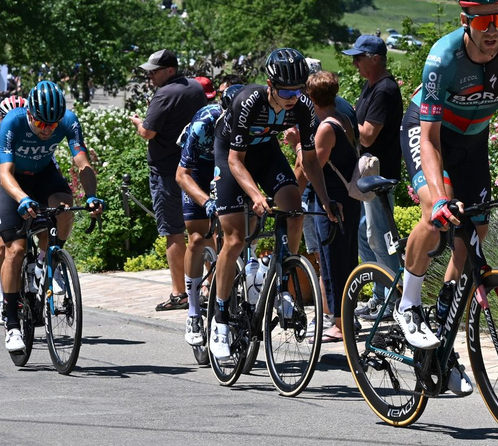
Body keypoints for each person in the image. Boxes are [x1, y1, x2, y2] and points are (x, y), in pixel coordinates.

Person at [397, 0, 498, 396]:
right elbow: (428, 139)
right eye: (482, 22)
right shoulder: (443, 58)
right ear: (466, 20)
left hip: (472, 142)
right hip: (428, 135)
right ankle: (408, 304)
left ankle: (444, 333)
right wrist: (442, 198)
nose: (492, 31)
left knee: (475, 234)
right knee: (438, 216)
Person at [208, 48, 342, 360]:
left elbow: (310, 162)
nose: (292, 96)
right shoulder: (249, 101)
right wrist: (255, 196)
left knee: (294, 208)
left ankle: (282, 283)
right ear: (270, 84)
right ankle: (221, 317)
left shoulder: (304, 108)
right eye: (285, 91)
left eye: (298, 89)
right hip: (231, 154)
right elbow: (235, 161)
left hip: (265, 152)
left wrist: (324, 200)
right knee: (235, 238)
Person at [0, 81, 104, 352]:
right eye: (42, 125)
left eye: (53, 126)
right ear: (30, 114)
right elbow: (5, 172)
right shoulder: (14, 121)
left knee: (65, 206)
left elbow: (82, 161)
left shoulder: (68, 120)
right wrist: (21, 199)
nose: (48, 131)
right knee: (15, 249)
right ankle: (11, 324)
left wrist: (90, 195)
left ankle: (50, 260)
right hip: (14, 180)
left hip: (43, 175)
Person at [130, 50, 208, 312]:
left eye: (154, 70)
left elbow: (149, 132)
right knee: (202, 228)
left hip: (166, 170)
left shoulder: (165, 94)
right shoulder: (196, 88)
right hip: (197, 168)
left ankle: (180, 293)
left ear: (170, 70)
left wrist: (139, 123)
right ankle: (213, 284)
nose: (150, 74)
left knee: (173, 231)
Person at [292, 71, 360, 345]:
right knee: (346, 259)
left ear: (310, 97)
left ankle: (340, 326)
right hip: (349, 199)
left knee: (332, 264)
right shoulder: (344, 118)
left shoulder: (325, 128)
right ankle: (344, 318)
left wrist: (297, 145)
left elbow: (311, 168)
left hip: (331, 202)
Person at [340, 34, 402, 317]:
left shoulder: (385, 90)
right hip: (368, 175)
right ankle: (380, 295)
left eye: (358, 57)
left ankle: (393, 300)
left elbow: (366, 136)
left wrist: (343, 120)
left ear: (375, 58)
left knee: (379, 237)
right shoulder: (371, 86)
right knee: (367, 236)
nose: (354, 63)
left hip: (380, 176)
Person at [174, 84, 240, 345]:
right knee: (198, 237)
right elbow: (182, 175)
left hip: (230, 163)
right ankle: (192, 311)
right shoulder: (205, 122)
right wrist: (206, 201)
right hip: (197, 167)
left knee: (241, 229)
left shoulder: (249, 125)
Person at [0, 96, 26, 326]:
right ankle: (4, 297)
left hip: (27, 189)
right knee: (4, 245)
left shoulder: (31, 136)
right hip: (1, 191)